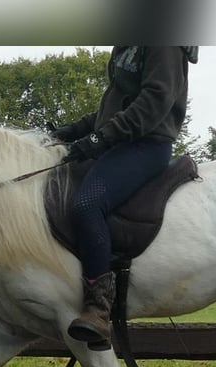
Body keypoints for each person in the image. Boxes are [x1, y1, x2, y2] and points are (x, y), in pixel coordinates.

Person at [53, 46, 198, 350]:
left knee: (88, 204)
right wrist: (72, 131)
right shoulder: (127, 42)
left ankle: (98, 308)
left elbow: (156, 100)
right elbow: (113, 106)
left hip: (146, 145)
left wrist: (100, 138)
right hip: (120, 142)